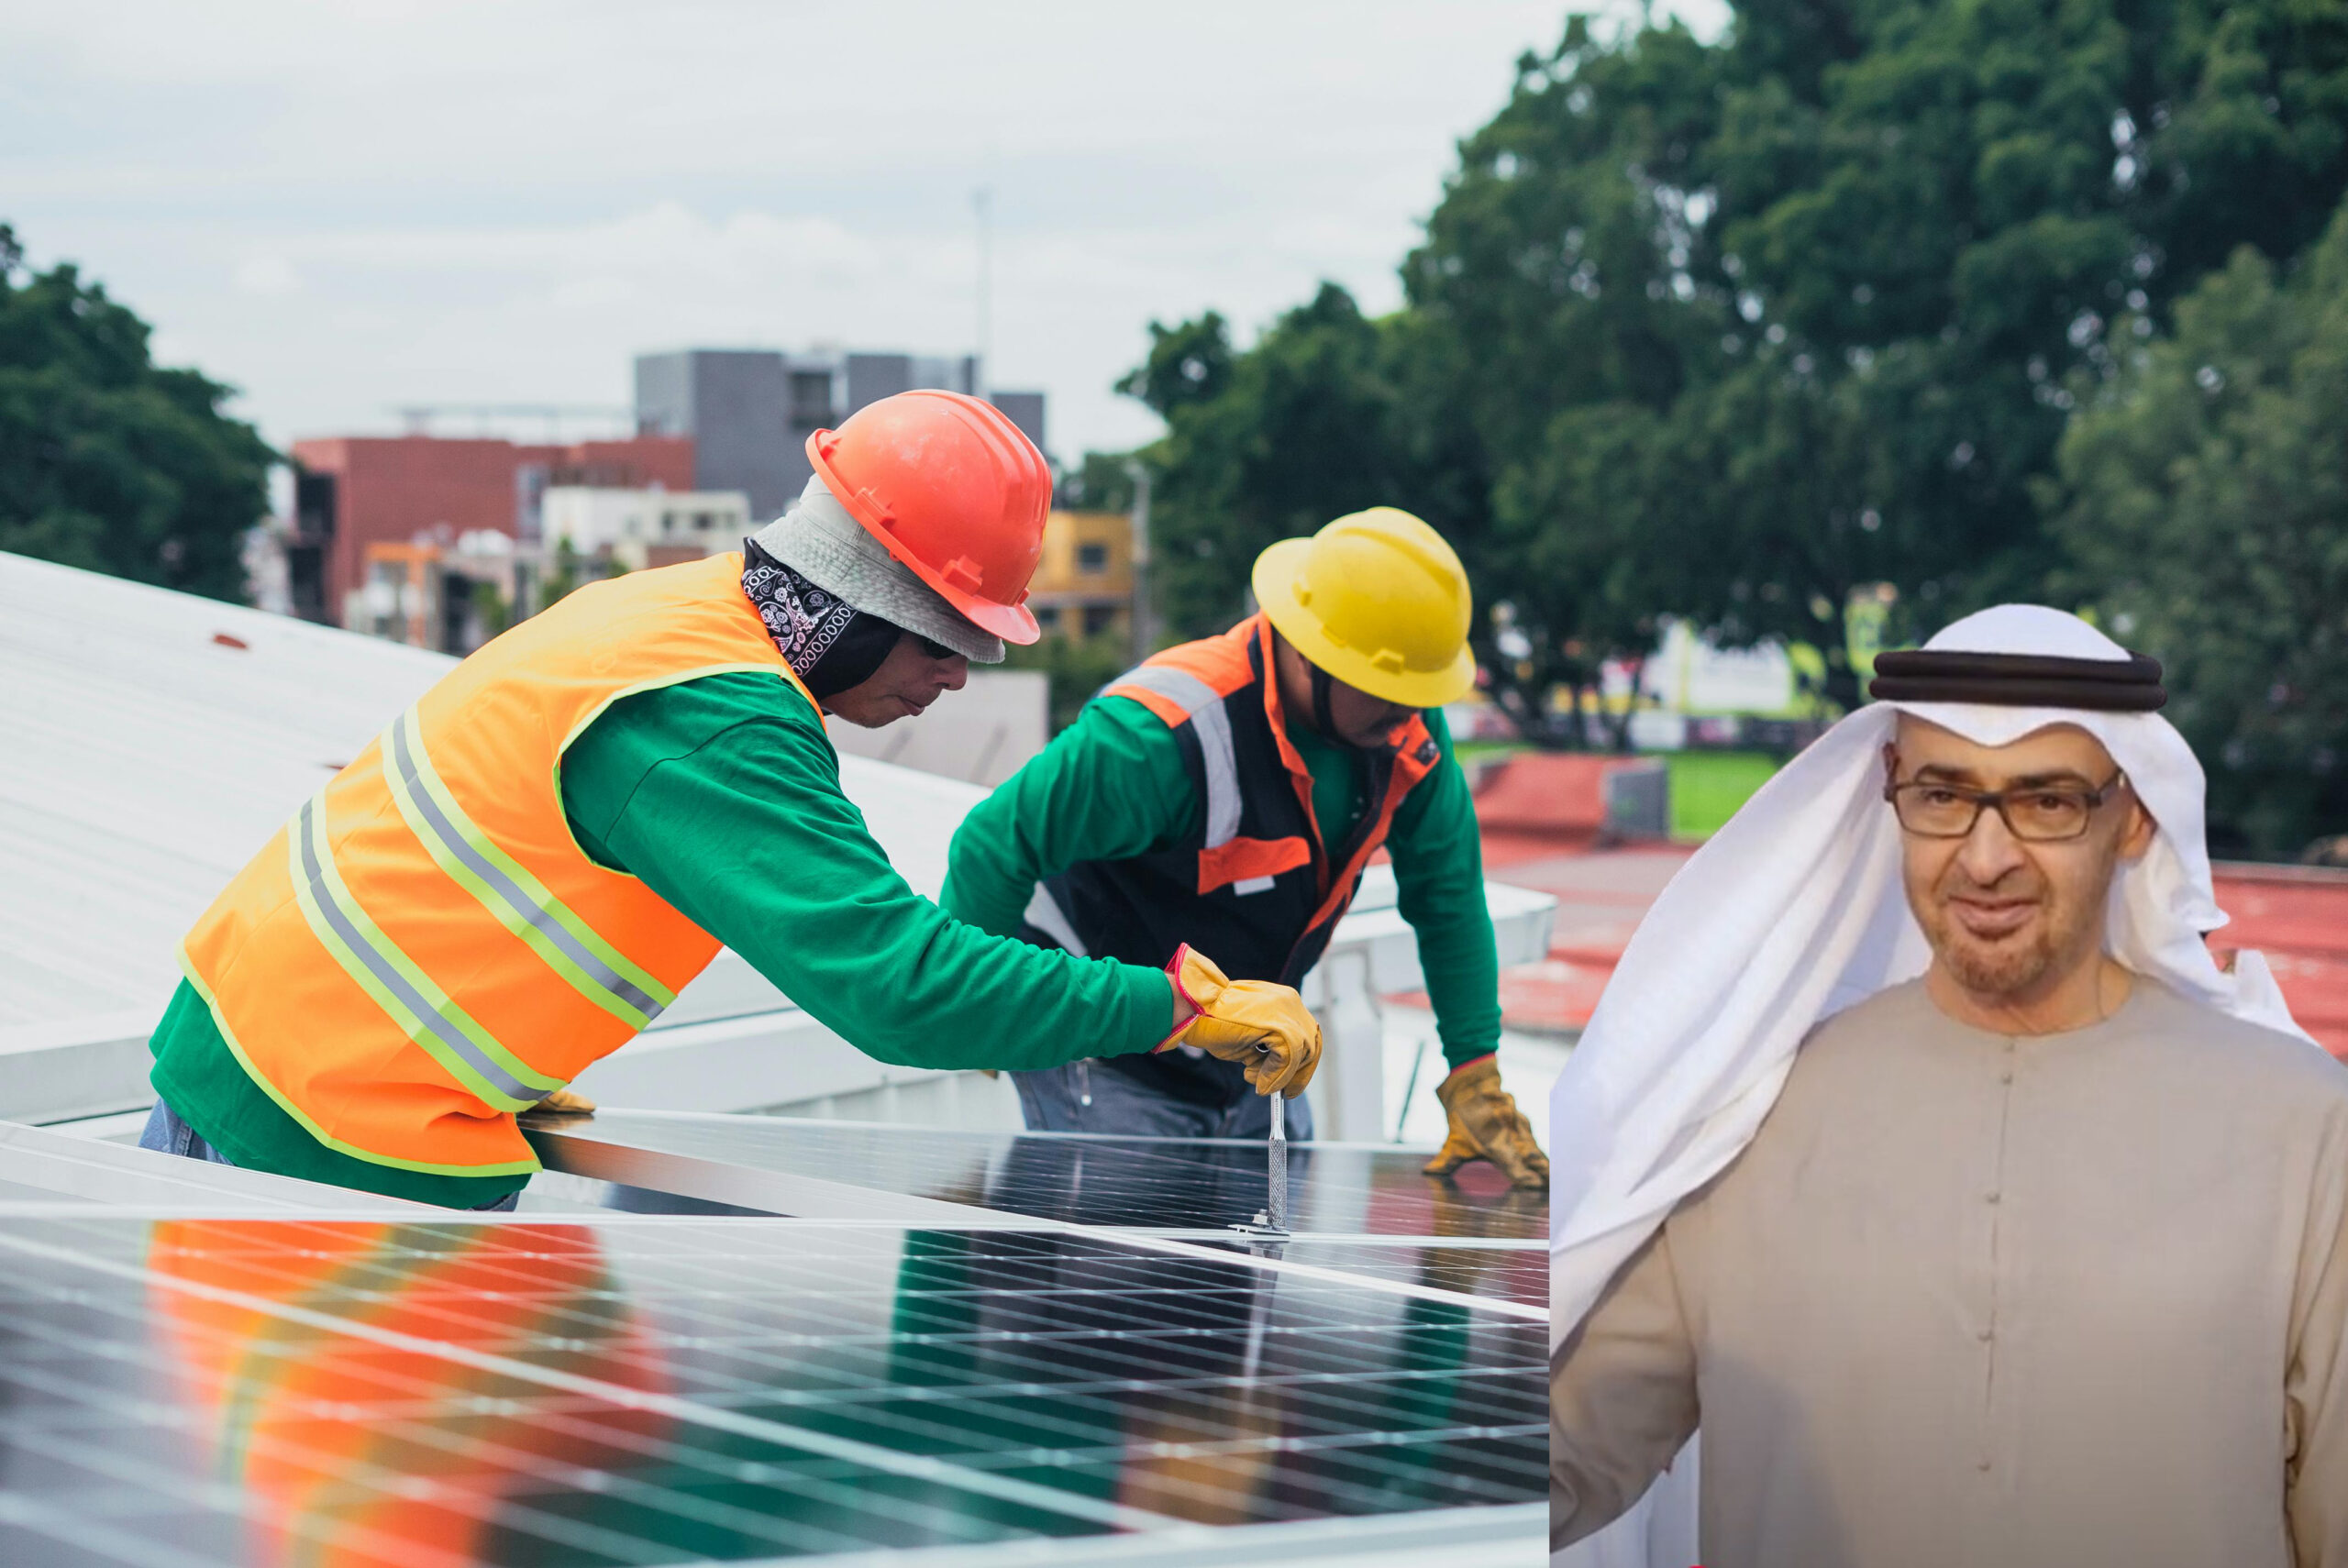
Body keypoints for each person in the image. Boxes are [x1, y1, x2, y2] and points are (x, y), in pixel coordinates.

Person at [139, 391, 1321, 1210]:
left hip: (302, 1062)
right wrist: (1177, 1005)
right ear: (863, 598)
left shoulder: (683, 613)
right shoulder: (713, 719)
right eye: (949, 639)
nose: (960, 676)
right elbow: (898, 989)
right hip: (316, 1121)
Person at [1548, 604, 2348, 1567]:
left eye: (2047, 802)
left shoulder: (2304, 1129)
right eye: (1941, 794)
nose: (1985, 858)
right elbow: (1554, 1460)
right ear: (1892, 790)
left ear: (2134, 815)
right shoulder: (1753, 1113)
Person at [941, 507, 1547, 1187]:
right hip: (1108, 1055)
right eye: (1389, 691)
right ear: (1311, 653)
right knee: (1125, 1245)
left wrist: (1474, 1072)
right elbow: (993, 844)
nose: (1409, 712)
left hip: (1251, 1056)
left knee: (1265, 1241)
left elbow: (1448, 899)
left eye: (1420, 691)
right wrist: (979, 1016)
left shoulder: (1405, 734)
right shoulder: (1161, 734)